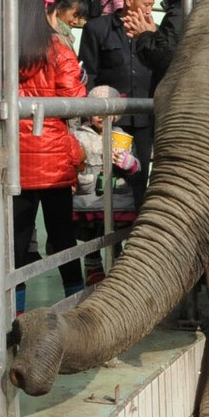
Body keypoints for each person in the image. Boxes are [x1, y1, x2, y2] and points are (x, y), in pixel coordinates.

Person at [12, 0, 88, 312]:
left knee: (16, 240)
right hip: (53, 157)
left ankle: (13, 309)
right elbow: (74, 99)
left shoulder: (2, 51)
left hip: (13, 156)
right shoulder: (58, 50)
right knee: (62, 235)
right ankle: (75, 299)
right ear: (47, 13)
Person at [80, 0, 163, 208]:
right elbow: (89, 75)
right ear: (128, 0)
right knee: (106, 181)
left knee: (138, 181)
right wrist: (93, 113)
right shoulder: (97, 29)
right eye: (146, 4)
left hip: (145, 122)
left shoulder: (154, 34)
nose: (150, 10)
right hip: (110, 122)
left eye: (152, 5)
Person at [72, 85, 141, 286]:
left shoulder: (124, 137)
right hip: (89, 198)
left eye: (108, 112)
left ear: (116, 115)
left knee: (116, 235)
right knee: (93, 236)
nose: (101, 116)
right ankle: (92, 266)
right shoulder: (79, 136)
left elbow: (137, 168)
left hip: (118, 197)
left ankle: (117, 265)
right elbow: (73, 163)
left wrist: (129, 163)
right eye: (96, 112)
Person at [123, 0, 203, 92]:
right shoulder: (99, 29)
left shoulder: (183, 12)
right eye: (145, 4)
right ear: (129, 0)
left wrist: (145, 36)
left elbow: (165, 58)